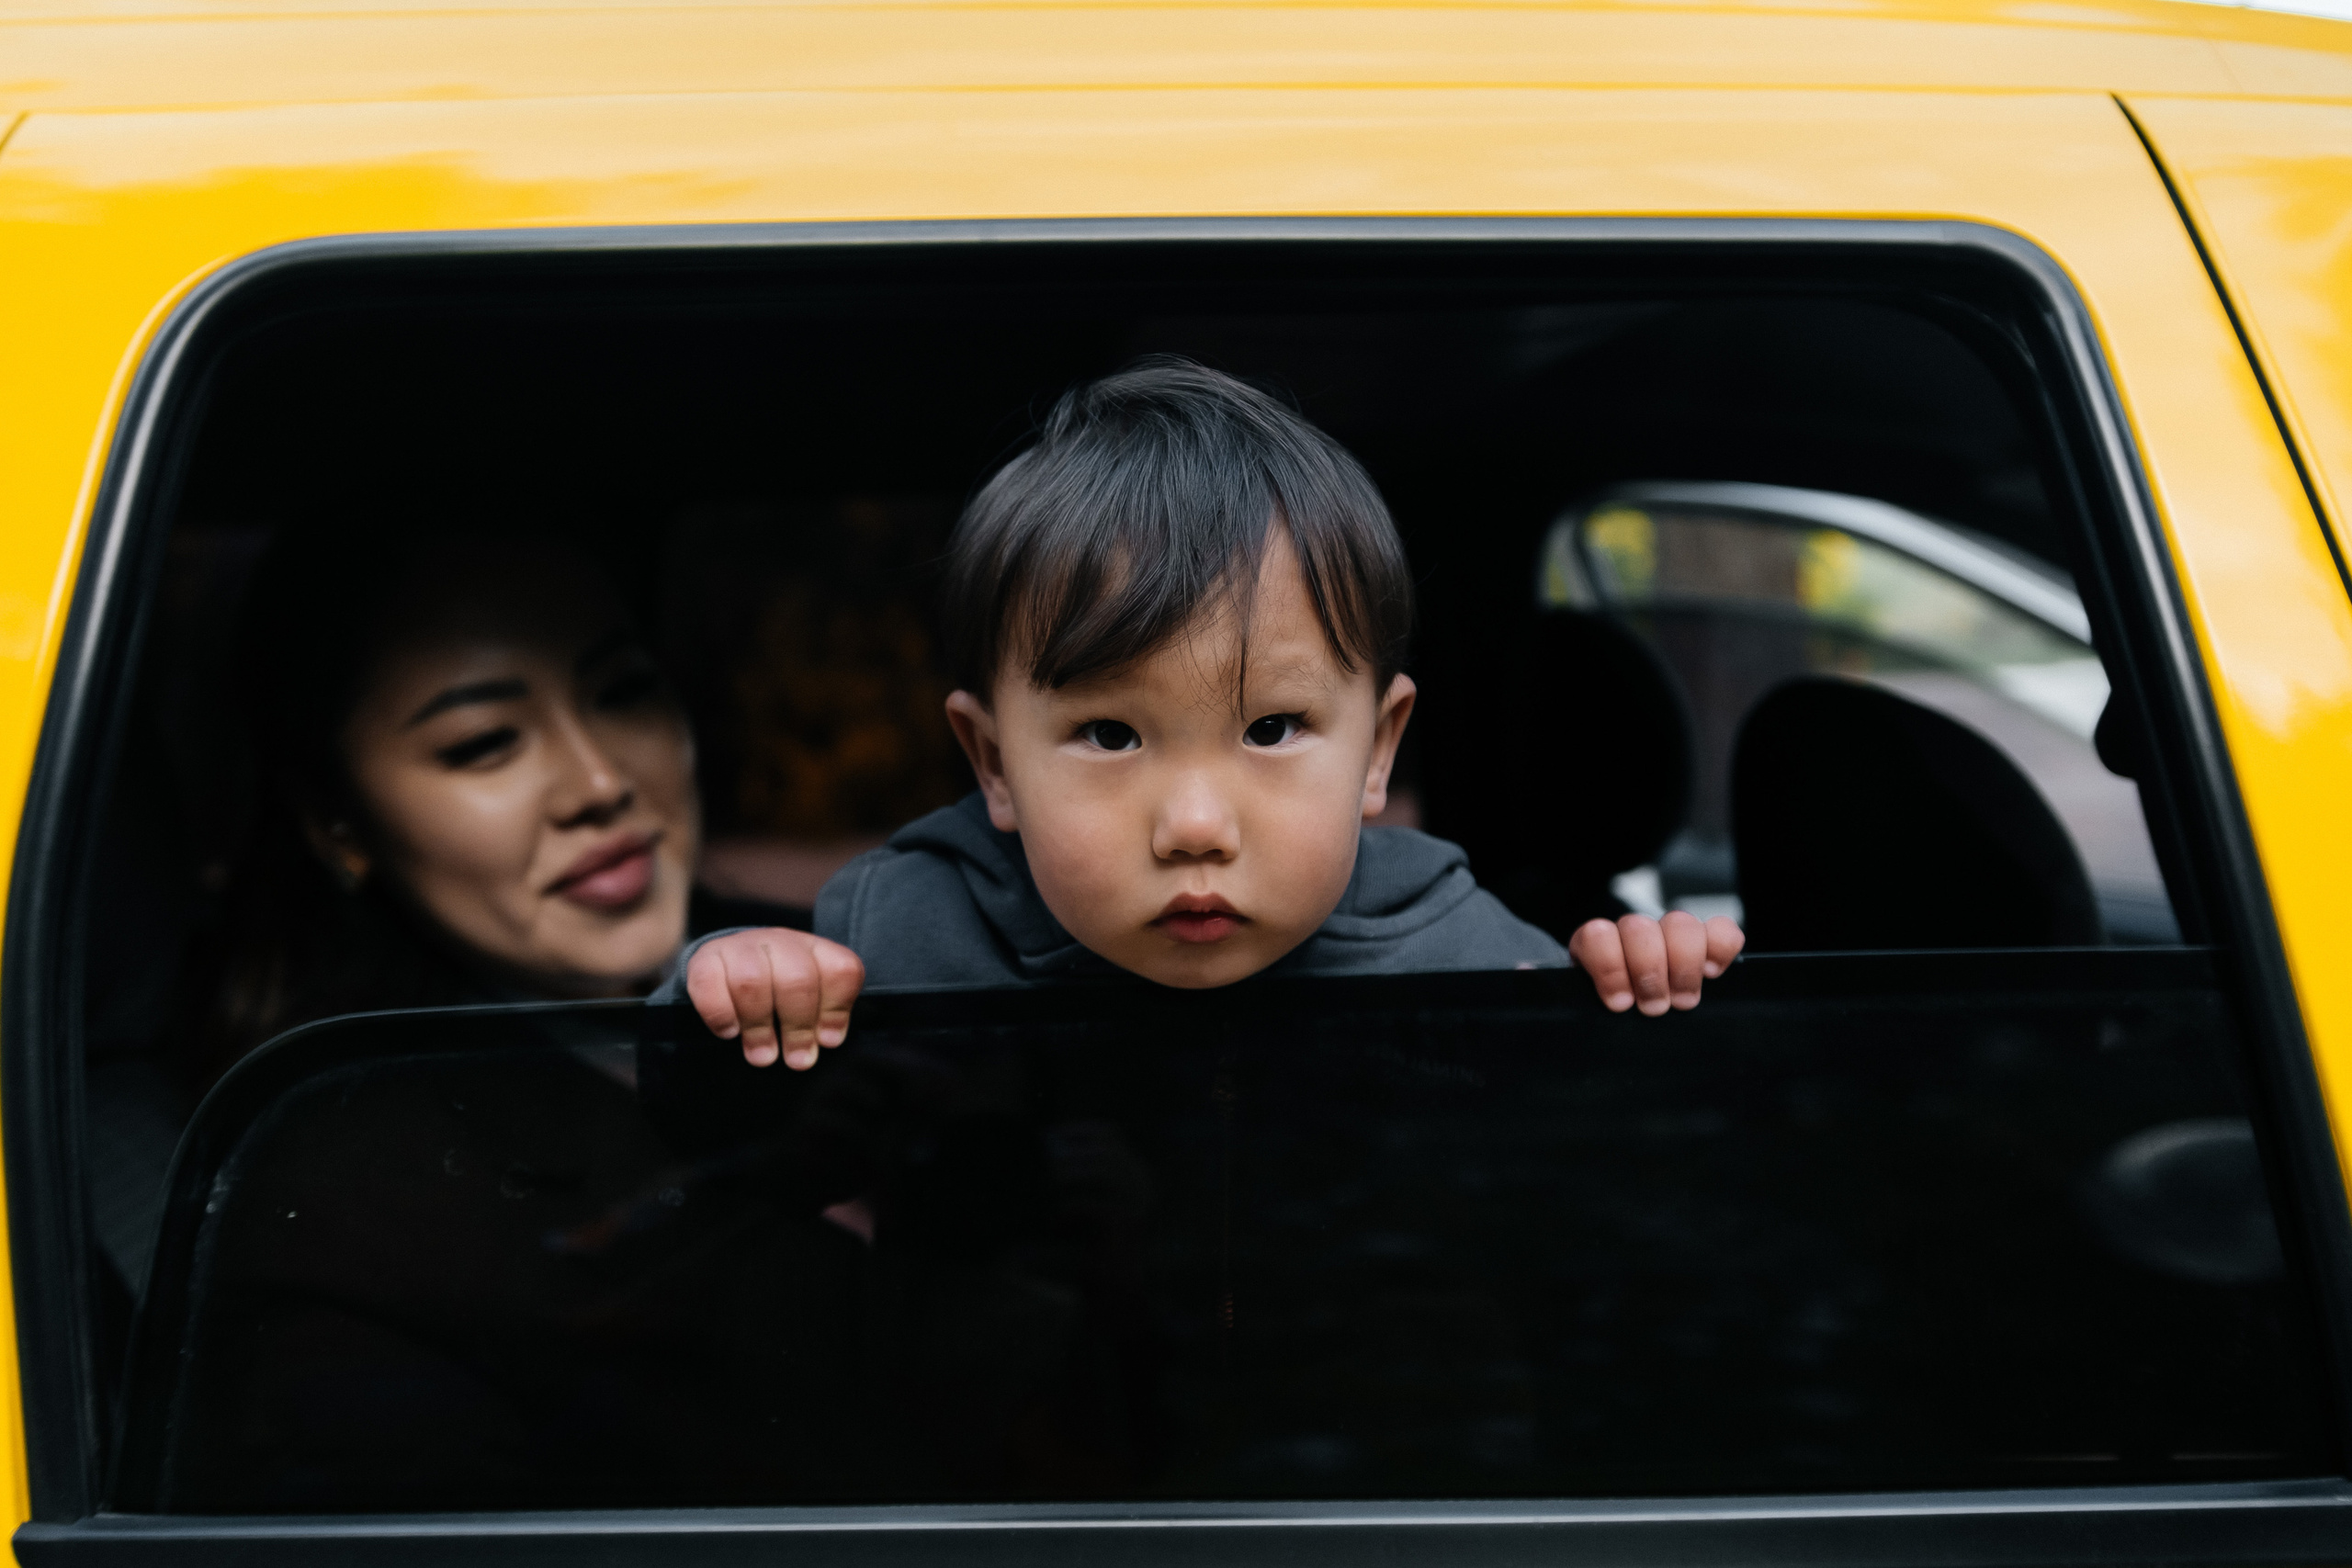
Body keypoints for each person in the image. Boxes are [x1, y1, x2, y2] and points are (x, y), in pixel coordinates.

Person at [666, 358, 1743, 1068]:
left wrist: (1642, 1003)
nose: (1194, 825)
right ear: (991, 764)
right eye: (1110, 735)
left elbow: (1589, 1185)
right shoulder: (900, 933)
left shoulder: (1455, 947)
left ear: (1379, 753)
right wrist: (733, 994)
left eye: (1271, 730)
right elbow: (732, 1151)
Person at [194, 526, 787, 1081]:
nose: (601, 783)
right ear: (335, 823)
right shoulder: (362, 1151)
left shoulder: (846, 972)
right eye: (484, 741)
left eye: (625, 690)